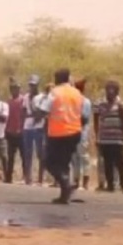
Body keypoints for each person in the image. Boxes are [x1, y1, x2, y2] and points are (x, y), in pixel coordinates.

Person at [36, 68, 85, 204]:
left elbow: (43, 111)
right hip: (75, 132)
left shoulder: (55, 92)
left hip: (58, 133)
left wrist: (37, 111)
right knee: (63, 163)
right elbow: (83, 114)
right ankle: (64, 195)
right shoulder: (77, 93)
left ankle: (65, 183)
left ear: (57, 78)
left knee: (49, 162)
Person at [94, 81, 123, 193]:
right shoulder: (100, 103)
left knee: (119, 162)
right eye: (108, 89)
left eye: (113, 90)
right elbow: (96, 121)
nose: (110, 92)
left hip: (117, 138)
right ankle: (110, 185)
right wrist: (97, 136)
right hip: (104, 138)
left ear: (117, 91)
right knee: (107, 162)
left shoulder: (121, 104)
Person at [22, 75, 47, 185]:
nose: (32, 87)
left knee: (39, 152)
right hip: (27, 125)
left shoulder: (42, 97)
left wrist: (37, 117)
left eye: (34, 85)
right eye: (31, 85)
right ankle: (28, 177)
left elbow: (43, 112)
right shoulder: (26, 97)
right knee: (27, 152)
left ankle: (40, 178)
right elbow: (23, 111)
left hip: (38, 125)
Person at [70, 79, 92, 190]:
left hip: (82, 133)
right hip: (73, 133)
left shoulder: (86, 102)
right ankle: (76, 180)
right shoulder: (73, 101)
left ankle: (86, 182)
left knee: (84, 157)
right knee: (75, 158)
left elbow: (84, 118)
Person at [5, 81, 25, 183]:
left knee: (23, 156)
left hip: (20, 132)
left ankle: (26, 177)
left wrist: (22, 128)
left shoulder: (22, 100)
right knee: (10, 157)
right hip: (10, 132)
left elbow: (24, 115)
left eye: (16, 88)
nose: (14, 90)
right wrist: (6, 130)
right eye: (12, 88)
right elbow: (7, 117)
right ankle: (8, 178)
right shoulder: (9, 101)